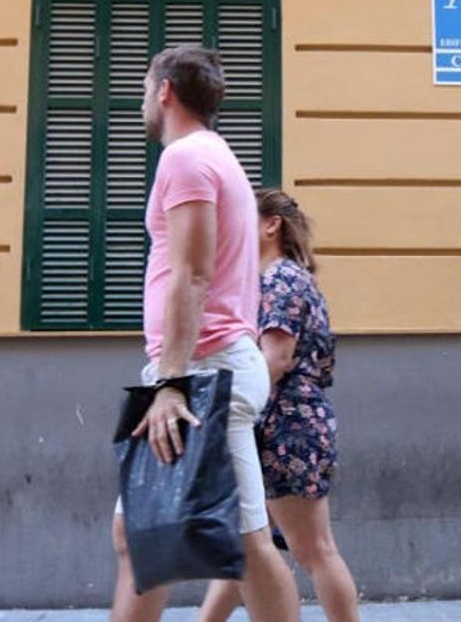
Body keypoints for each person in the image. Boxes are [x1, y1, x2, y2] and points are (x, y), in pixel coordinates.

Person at [110, 46, 299, 622]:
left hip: (201, 371)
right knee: (140, 532)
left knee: (240, 543)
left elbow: (191, 274)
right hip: (207, 366)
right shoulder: (215, 156)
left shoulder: (187, 159)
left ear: (164, 90)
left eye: (146, 90)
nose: (144, 102)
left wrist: (169, 382)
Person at [199, 191, 359, 622]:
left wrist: (224, 412)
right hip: (273, 424)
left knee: (314, 550)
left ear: (272, 225)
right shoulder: (269, 279)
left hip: (286, 425)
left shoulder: (281, 279)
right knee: (246, 546)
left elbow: (276, 359)